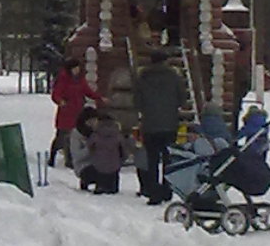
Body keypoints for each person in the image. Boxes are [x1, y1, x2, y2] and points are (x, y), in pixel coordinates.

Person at [134, 50, 188, 203]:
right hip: (170, 124)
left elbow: (137, 101)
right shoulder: (174, 77)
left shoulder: (143, 77)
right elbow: (182, 99)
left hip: (150, 125)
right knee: (168, 158)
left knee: (152, 160)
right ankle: (166, 189)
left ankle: (153, 192)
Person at [50, 56, 101, 167]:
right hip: (66, 113)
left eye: (78, 68)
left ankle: (70, 160)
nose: (77, 70)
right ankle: (52, 157)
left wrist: (99, 97)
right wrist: (60, 101)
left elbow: (87, 91)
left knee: (74, 137)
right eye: (75, 68)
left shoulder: (80, 80)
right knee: (62, 137)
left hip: (78, 112)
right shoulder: (63, 79)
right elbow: (56, 94)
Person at [78, 109, 127, 194]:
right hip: (114, 167)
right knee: (113, 178)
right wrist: (120, 161)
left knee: (94, 170)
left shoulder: (95, 135)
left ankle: (98, 185)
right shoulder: (118, 136)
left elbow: (90, 148)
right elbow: (124, 152)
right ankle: (113, 187)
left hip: (98, 166)